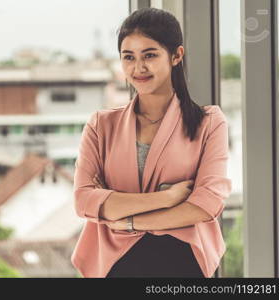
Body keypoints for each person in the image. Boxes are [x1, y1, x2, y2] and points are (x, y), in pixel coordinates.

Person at [71, 7, 232, 278]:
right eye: (128, 57)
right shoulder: (101, 125)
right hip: (115, 264)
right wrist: (167, 198)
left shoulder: (210, 122)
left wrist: (129, 220)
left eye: (150, 55)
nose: (138, 68)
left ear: (176, 55)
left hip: (182, 263)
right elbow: (84, 201)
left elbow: (206, 204)